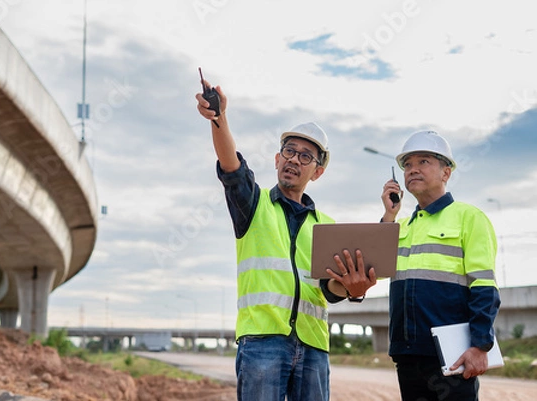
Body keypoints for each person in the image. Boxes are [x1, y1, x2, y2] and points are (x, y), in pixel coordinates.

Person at [196, 81, 377, 401]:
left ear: (317, 172)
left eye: (305, 156)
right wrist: (219, 118)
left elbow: (328, 291)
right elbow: (232, 169)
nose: (294, 159)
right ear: (277, 160)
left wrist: (353, 289)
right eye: (289, 152)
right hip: (262, 343)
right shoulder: (254, 205)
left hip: (313, 347)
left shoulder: (327, 227)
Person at [381, 130, 501, 401]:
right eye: (407, 165)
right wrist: (389, 215)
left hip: (452, 355)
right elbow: (373, 268)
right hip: (408, 353)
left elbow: (483, 286)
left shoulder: (468, 217)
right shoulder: (399, 226)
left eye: (423, 162)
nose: (412, 170)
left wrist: (480, 345)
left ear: (446, 173)